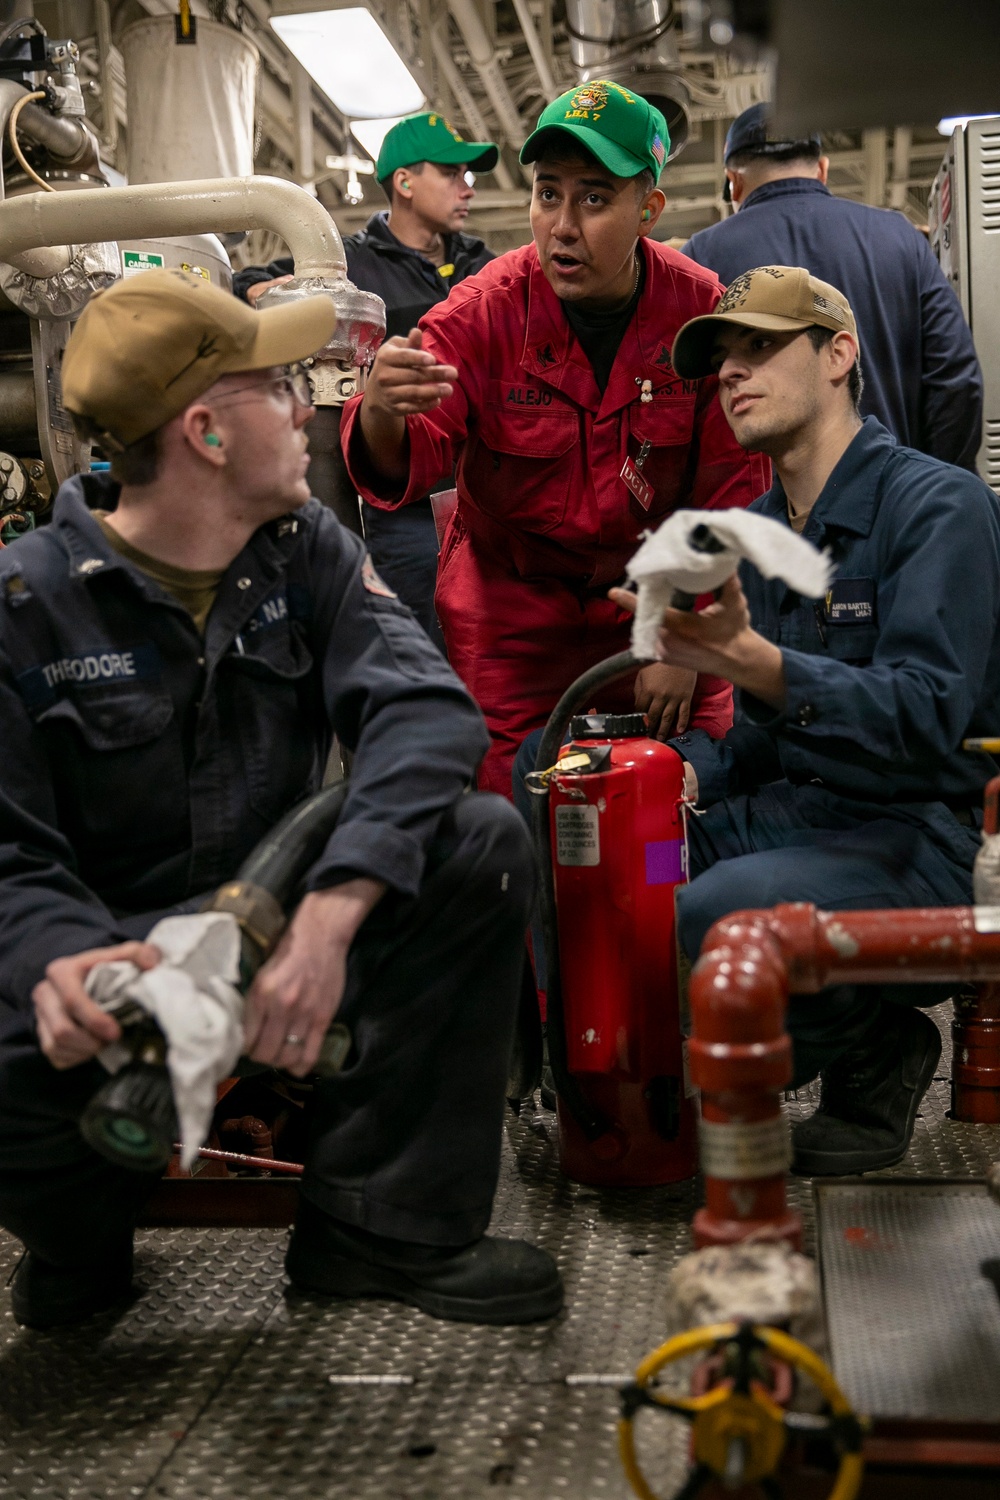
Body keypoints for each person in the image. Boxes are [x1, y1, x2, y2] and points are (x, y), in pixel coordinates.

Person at [0, 269, 562, 1330]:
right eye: (278, 387)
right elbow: (7, 854)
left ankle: (379, 1230)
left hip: (282, 946)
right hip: (118, 969)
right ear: (206, 433)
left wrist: (328, 915)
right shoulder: (24, 608)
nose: (307, 410)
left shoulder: (304, 552)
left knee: (477, 841)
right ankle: (78, 1236)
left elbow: (427, 714)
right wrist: (58, 962)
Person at [605, 263, 1000, 1177]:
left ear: (839, 355)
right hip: (805, 817)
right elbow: (763, 742)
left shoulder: (941, 508)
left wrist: (765, 667)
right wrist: (688, 774)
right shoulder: (761, 534)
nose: (731, 372)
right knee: (621, 865)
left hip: (929, 832)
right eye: (722, 357)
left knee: (714, 912)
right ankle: (635, 1096)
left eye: (760, 346)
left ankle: (868, 1044)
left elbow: (926, 717)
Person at [340, 83, 769, 798]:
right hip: (513, 626)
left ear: (649, 210)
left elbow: (733, 494)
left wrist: (689, 633)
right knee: (523, 822)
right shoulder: (484, 312)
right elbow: (409, 452)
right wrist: (381, 410)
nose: (562, 226)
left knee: (684, 809)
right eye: (548, 195)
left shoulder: (699, 314)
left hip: (658, 610)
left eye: (594, 199)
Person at [235, 112, 499, 648]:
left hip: (484, 492)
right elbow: (250, 284)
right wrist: (264, 295)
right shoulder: (348, 263)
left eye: (467, 175)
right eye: (451, 173)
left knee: (490, 644)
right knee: (412, 642)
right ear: (404, 182)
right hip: (402, 503)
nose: (467, 187)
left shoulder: (483, 266)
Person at [682, 104, 984, 471]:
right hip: (893, 490)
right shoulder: (899, 236)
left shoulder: (698, 259)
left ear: (734, 182)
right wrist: (932, 482)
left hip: (764, 502)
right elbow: (955, 378)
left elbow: (683, 402)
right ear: (822, 169)